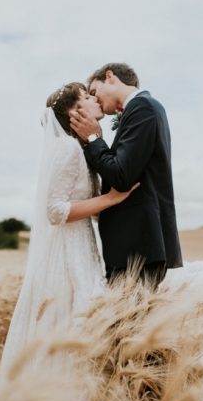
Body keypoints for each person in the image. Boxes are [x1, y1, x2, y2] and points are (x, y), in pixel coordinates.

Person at [0, 82, 139, 394]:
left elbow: (85, 204)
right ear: (75, 113)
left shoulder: (82, 147)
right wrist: (111, 200)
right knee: (69, 328)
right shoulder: (67, 149)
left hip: (84, 248)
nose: (94, 98)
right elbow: (55, 211)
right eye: (87, 97)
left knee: (82, 332)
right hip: (66, 256)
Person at [70, 63, 183, 290]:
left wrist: (93, 139)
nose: (96, 100)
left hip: (137, 247)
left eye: (94, 92)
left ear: (110, 76)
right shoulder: (142, 108)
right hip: (134, 247)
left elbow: (121, 176)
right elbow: (124, 167)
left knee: (130, 324)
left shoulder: (143, 107)